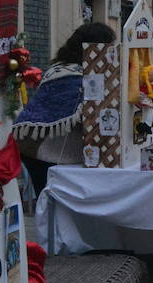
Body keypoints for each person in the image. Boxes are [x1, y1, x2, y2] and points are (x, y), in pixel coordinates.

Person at [14, 21, 116, 195]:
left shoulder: (58, 69)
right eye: (110, 48)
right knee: (55, 205)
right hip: (46, 152)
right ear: (96, 48)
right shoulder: (78, 76)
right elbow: (87, 118)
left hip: (35, 149)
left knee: (48, 204)